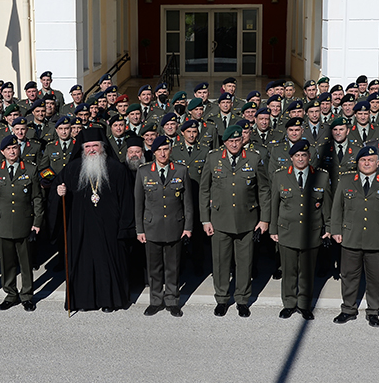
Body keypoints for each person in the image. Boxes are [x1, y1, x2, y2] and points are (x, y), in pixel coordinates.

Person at [55, 127, 135, 313]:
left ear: (103, 147)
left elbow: (127, 201)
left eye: (95, 146)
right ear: (82, 149)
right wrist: (60, 192)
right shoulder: (73, 168)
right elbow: (56, 191)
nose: (91, 150)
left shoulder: (117, 169)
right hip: (81, 228)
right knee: (83, 264)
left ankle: (109, 300)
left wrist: (125, 227)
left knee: (107, 264)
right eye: (88, 146)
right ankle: (83, 300)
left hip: (109, 228)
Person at [198, 125, 270, 318]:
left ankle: (242, 300)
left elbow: (263, 189)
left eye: (238, 140)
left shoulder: (253, 158)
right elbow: (204, 190)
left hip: (247, 220)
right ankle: (221, 299)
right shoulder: (213, 158)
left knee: (244, 263)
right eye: (231, 141)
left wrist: (264, 219)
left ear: (242, 140)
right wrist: (205, 219)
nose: (235, 144)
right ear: (225, 142)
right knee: (221, 263)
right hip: (220, 220)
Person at [330, 146, 379, 327]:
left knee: (375, 278)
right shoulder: (346, 180)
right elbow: (337, 208)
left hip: (377, 238)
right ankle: (348, 309)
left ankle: (373, 311)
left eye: (371, 160)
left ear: (377, 163)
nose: (367, 163)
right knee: (348, 276)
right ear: (358, 163)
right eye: (363, 160)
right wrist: (336, 230)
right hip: (350, 236)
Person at [270, 139, 331, 321]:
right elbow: (274, 204)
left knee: (307, 271)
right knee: (289, 270)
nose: (301, 158)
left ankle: (304, 305)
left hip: (311, 232)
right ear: (291, 158)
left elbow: (326, 204)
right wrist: (273, 228)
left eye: (304, 155)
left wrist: (328, 226)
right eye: (297, 155)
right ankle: (289, 304)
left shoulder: (321, 176)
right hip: (287, 230)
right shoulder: (280, 176)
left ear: (309, 157)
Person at [134, 136, 193, 317]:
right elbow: (138, 203)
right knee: (154, 267)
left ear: (171, 150)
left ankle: (172, 300)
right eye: (159, 150)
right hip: (152, 227)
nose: (162, 153)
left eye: (166, 149)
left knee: (173, 267)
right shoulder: (143, 171)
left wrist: (188, 227)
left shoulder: (181, 170)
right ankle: (155, 300)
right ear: (153, 151)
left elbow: (188, 203)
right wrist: (139, 229)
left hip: (175, 225)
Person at [0, 135, 43, 311]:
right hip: (2, 222)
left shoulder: (31, 169)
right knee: (7, 262)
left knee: (25, 262)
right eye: (8, 149)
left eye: (15, 148)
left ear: (20, 150)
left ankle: (27, 295)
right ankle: (10, 294)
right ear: (2, 152)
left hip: (23, 222)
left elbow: (37, 198)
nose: (12, 151)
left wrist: (37, 222)